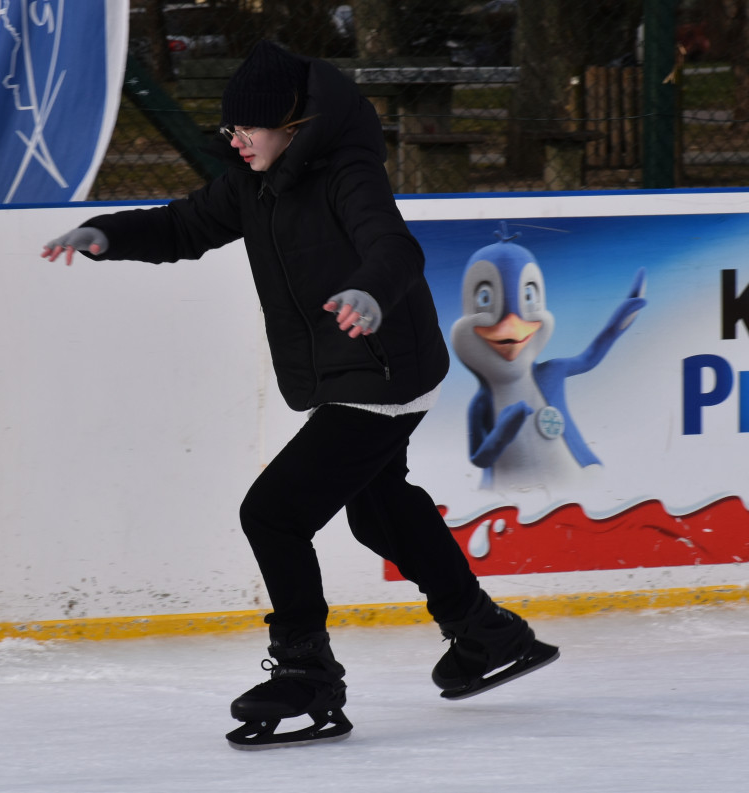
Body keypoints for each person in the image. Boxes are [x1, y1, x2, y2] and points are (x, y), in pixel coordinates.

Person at [40, 40, 558, 749]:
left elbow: (395, 249)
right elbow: (184, 225)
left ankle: (307, 675)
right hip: (359, 374)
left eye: (247, 128)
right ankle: (484, 631)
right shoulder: (253, 181)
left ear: (292, 123)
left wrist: (370, 295)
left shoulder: (348, 172)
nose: (235, 140)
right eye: (230, 129)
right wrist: (109, 232)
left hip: (381, 373)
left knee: (274, 513)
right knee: (380, 510)